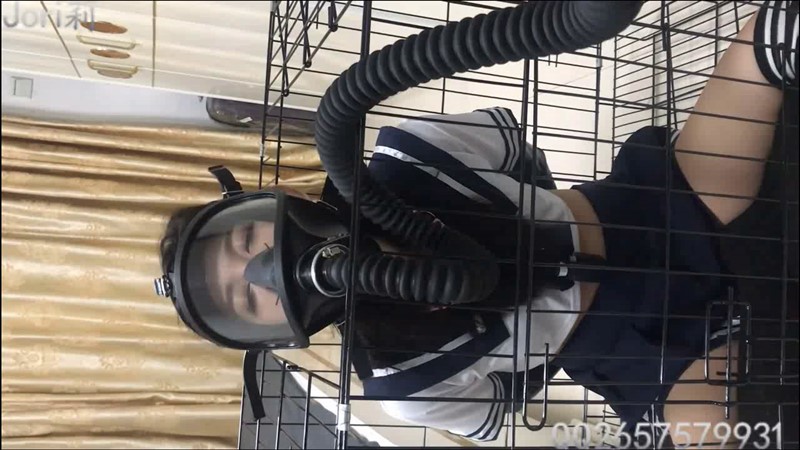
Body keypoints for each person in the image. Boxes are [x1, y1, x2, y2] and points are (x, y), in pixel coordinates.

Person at [157, 2, 797, 447]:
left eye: (249, 240)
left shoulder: (406, 157)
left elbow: (523, 159)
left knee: (763, 45)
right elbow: (507, 403)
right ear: (275, 332)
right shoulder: (402, 383)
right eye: (251, 298)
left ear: (269, 204)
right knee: (732, 432)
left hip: (649, 209)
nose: (268, 270)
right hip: (636, 352)